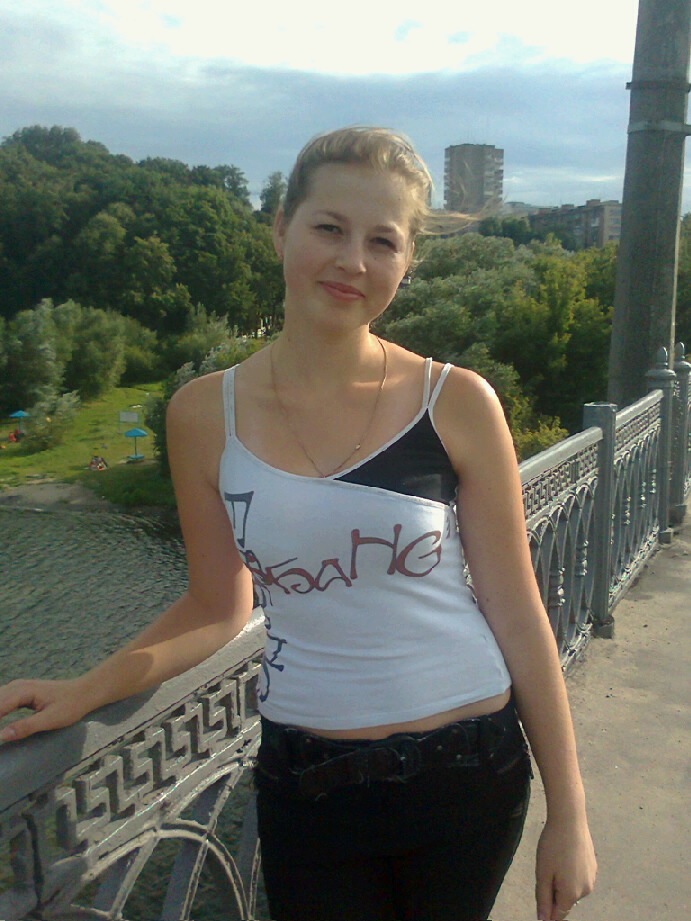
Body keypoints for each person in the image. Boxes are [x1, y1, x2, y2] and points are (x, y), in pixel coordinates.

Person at [0, 127, 596, 921]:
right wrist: (88, 687)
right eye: (329, 228)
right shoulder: (203, 414)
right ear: (280, 228)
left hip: (465, 771)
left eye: (381, 241)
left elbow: (517, 612)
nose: (352, 261)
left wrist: (569, 812)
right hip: (307, 784)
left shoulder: (453, 401)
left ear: (406, 262)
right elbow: (216, 606)